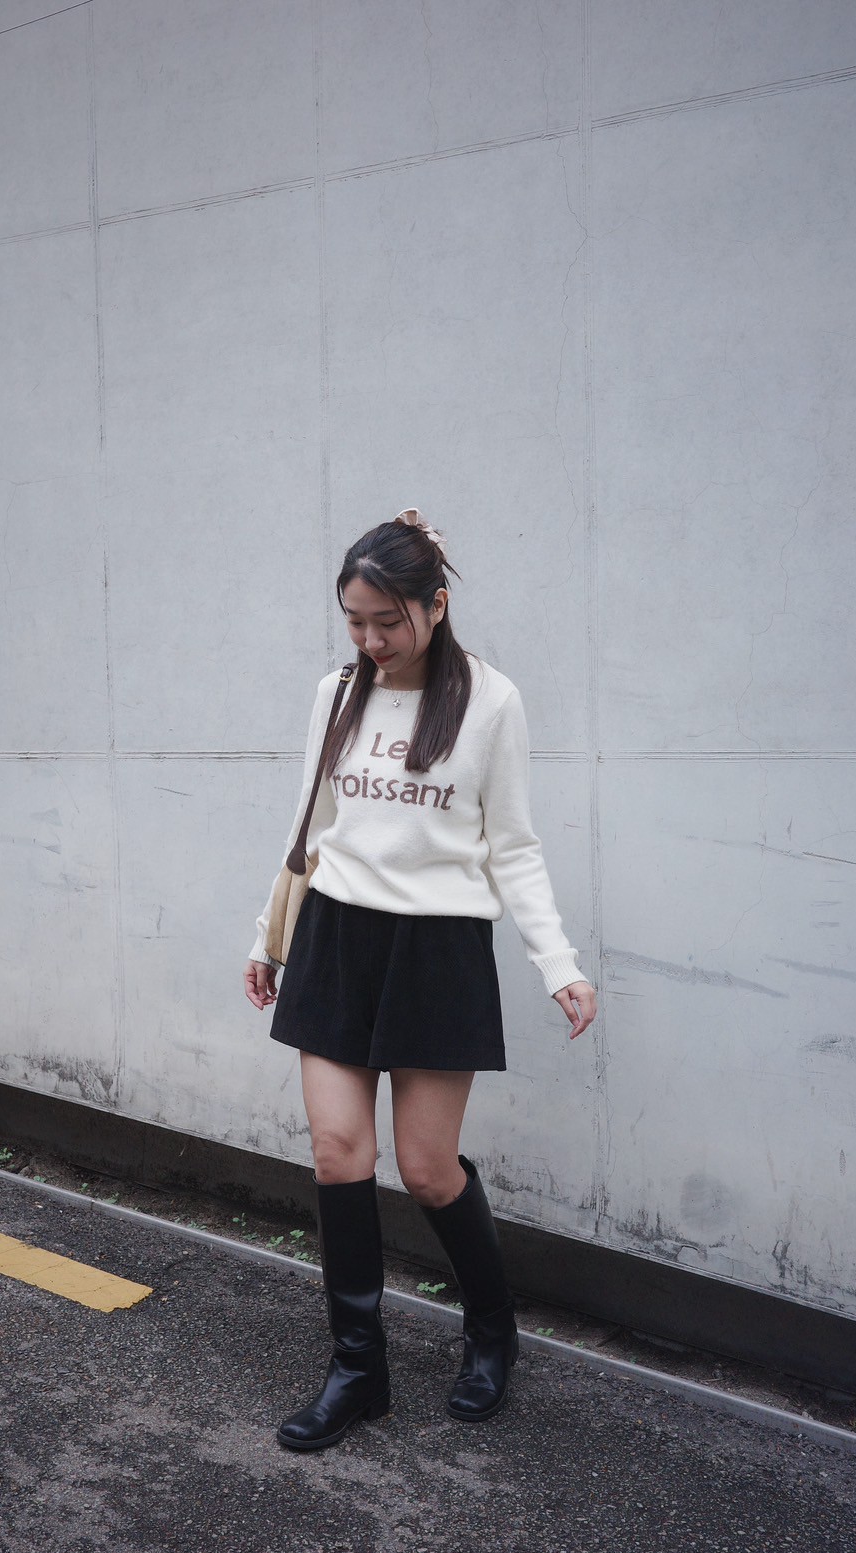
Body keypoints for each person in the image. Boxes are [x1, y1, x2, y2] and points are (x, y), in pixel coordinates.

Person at [243, 510, 597, 1452]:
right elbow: (309, 823)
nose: (369, 640)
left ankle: (491, 1331)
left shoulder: (491, 700)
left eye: (386, 621)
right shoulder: (335, 693)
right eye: (354, 621)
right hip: (336, 936)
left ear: (436, 606)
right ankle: (357, 1370)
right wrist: (265, 941)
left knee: (429, 1168)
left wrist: (557, 963)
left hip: (439, 948)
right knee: (336, 1152)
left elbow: (512, 846)